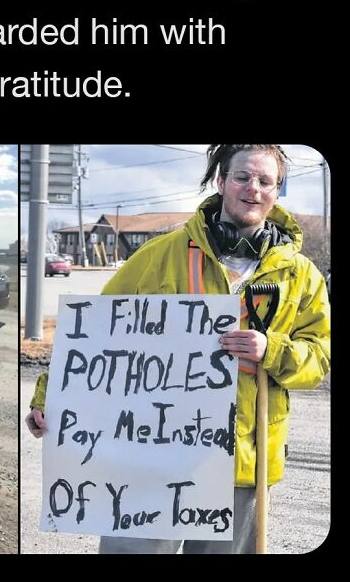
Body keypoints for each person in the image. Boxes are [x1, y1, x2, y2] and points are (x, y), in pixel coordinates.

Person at [27, 144, 330, 554]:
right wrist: (51, 400)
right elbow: (93, 336)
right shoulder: (158, 256)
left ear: (277, 191)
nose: (253, 189)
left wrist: (272, 350)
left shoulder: (301, 276)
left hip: (242, 461)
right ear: (221, 181)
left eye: (265, 181)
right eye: (242, 177)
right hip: (151, 452)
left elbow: (319, 356)